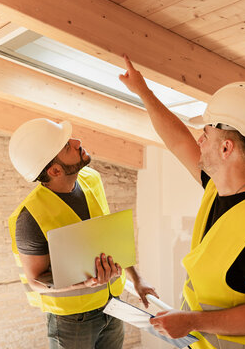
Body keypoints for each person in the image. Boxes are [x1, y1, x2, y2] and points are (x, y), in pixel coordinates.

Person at [118, 55, 245, 349]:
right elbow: (179, 141)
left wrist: (191, 321)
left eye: (205, 134)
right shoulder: (217, 187)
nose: (199, 141)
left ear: (226, 148)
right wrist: (143, 92)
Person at [8, 118, 158, 349]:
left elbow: (109, 238)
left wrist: (137, 279)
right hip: (73, 321)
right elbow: (36, 281)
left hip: (112, 305)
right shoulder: (30, 217)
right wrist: (84, 284)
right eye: (68, 146)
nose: (77, 142)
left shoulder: (91, 179)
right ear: (55, 170)